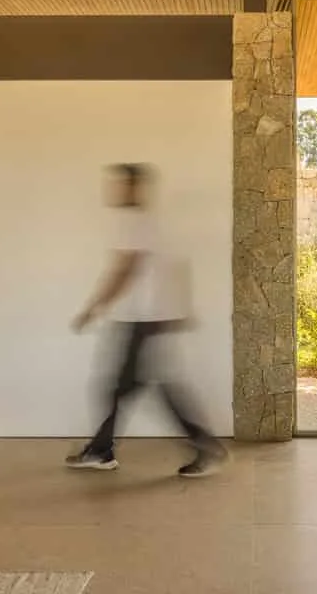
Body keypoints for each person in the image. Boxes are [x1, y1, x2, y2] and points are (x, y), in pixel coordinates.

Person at [66, 163, 227, 478]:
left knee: (142, 387)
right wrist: (181, 309)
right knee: (127, 387)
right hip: (149, 318)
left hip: (143, 319)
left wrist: (93, 307)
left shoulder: (133, 222)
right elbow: (177, 268)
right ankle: (102, 449)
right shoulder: (154, 223)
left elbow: (124, 269)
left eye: (121, 184)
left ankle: (205, 447)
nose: (114, 190)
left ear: (135, 187)